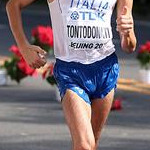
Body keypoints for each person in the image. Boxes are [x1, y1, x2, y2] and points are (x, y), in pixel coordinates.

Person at [6, 0, 136, 150]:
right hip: (71, 72)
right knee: (84, 145)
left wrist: (127, 32)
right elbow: (13, 5)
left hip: (106, 69)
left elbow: (128, 46)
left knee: (91, 145)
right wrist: (23, 47)